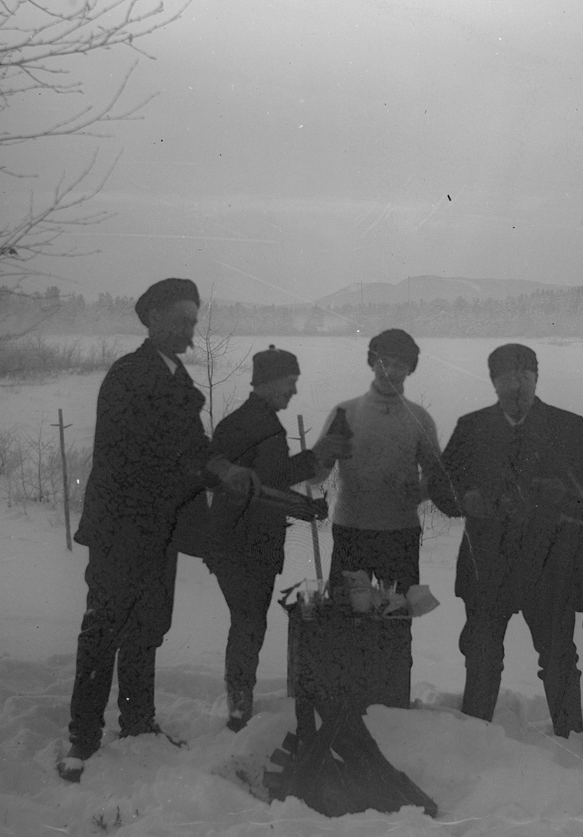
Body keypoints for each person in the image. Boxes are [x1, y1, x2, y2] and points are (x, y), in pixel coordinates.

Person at [58, 278, 255, 783]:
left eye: (194, 322)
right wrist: (211, 470)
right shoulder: (128, 375)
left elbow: (191, 442)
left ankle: (138, 722)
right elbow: (149, 450)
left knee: (147, 627)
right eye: (183, 321)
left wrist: (221, 466)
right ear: (153, 319)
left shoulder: (176, 378)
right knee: (103, 629)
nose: (191, 331)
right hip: (120, 528)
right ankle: (82, 739)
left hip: (159, 527)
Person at [431, 343, 583, 736]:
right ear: (493, 382)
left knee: (559, 659)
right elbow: (440, 484)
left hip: (549, 568)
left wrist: (564, 496)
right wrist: (463, 499)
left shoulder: (567, 426)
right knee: (481, 656)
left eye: (525, 376)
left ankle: (572, 741)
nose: (517, 386)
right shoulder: (471, 427)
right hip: (488, 568)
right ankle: (475, 736)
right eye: (507, 378)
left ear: (537, 379)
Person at [206, 345, 351, 732]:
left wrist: (303, 504)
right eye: (290, 382)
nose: (294, 391)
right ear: (267, 382)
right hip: (243, 545)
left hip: (243, 542)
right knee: (248, 624)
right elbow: (268, 484)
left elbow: (266, 484)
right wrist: (315, 463)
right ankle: (239, 710)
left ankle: (241, 704)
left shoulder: (253, 420)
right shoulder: (255, 424)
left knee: (248, 623)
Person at [310, 328, 444, 700]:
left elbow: (437, 475)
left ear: (410, 369)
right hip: (351, 530)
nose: (390, 370)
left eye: (400, 364)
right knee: (343, 619)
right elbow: (316, 474)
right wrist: (320, 454)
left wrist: (420, 491)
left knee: (396, 622)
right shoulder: (346, 412)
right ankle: (343, 701)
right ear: (372, 362)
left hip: (399, 534)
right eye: (384, 361)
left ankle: (393, 700)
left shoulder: (419, 418)